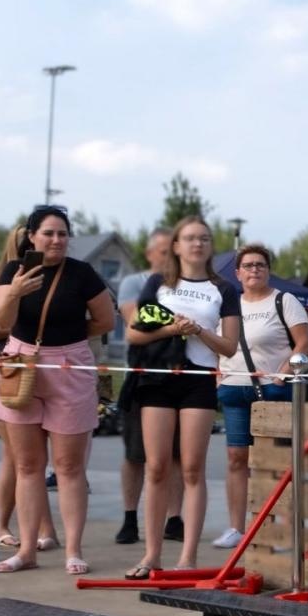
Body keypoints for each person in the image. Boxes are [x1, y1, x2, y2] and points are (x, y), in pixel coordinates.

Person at [0, 205, 116, 573]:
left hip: (68, 365)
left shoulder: (82, 273)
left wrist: (68, 343)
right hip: (20, 363)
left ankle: (73, 550)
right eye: (48, 233)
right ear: (31, 236)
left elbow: (105, 320)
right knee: (28, 464)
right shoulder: (15, 270)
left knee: (68, 465)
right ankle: (26, 550)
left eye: (62, 233)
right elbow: (1, 322)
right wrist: (13, 293)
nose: (56, 239)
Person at [124, 215, 239, 578]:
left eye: (204, 238)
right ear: (176, 245)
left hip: (197, 379)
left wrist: (200, 330)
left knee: (192, 468)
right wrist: (173, 328)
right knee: (156, 466)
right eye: (190, 238)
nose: (197, 244)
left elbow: (230, 346)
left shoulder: (224, 288)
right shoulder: (158, 283)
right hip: (158, 379)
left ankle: (188, 556)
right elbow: (134, 335)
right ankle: (151, 554)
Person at [214, 244, 308, 548]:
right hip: (234, 387)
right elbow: (217, 342)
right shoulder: (227, 305)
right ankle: (235, 527)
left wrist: (283, 374)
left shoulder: (284, 300)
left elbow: (304, 343)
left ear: (268, 270)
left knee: (275, 461)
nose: (254, 270)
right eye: (248, 265)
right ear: (237, 272)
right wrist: (218, 373)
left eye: (260, 265)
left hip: (272, 389)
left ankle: (280, 527)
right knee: (236, 458)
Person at [0, 225, 58, 550]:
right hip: (4, 370)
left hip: (39, 368)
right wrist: (13, 322)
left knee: (32, 458)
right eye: (27, 240)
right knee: (17, 456)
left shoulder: (48, 277)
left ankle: (43, 529)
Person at [114, 228, 184, 546]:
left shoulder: (188, 285)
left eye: (173, 250)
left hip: (180, 374)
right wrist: (176, 325)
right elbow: (137, 322)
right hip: (143, 375)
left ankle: (175, 517)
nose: (169, 256)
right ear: (150, 253)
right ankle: (130, 517)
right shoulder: (135, 282)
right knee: (135, 453)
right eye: (163, 250)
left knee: (177, 456)